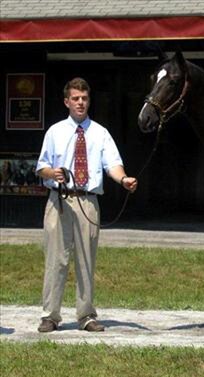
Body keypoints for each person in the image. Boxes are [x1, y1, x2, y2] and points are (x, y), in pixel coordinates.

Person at [36, 77, 138, 333]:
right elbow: (41, 167)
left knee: (86, 260)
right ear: (66, 102)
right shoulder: (55, 131)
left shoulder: (100, 133)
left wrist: (123, 178)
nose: (80, 103)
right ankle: (50, 315)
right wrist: (53, 173)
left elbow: (112, 163)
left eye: (84, 98)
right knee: (56, 260)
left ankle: (86, 315)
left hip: (88, 200)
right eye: (75, 99)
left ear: (88, 101)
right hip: (59, 200)